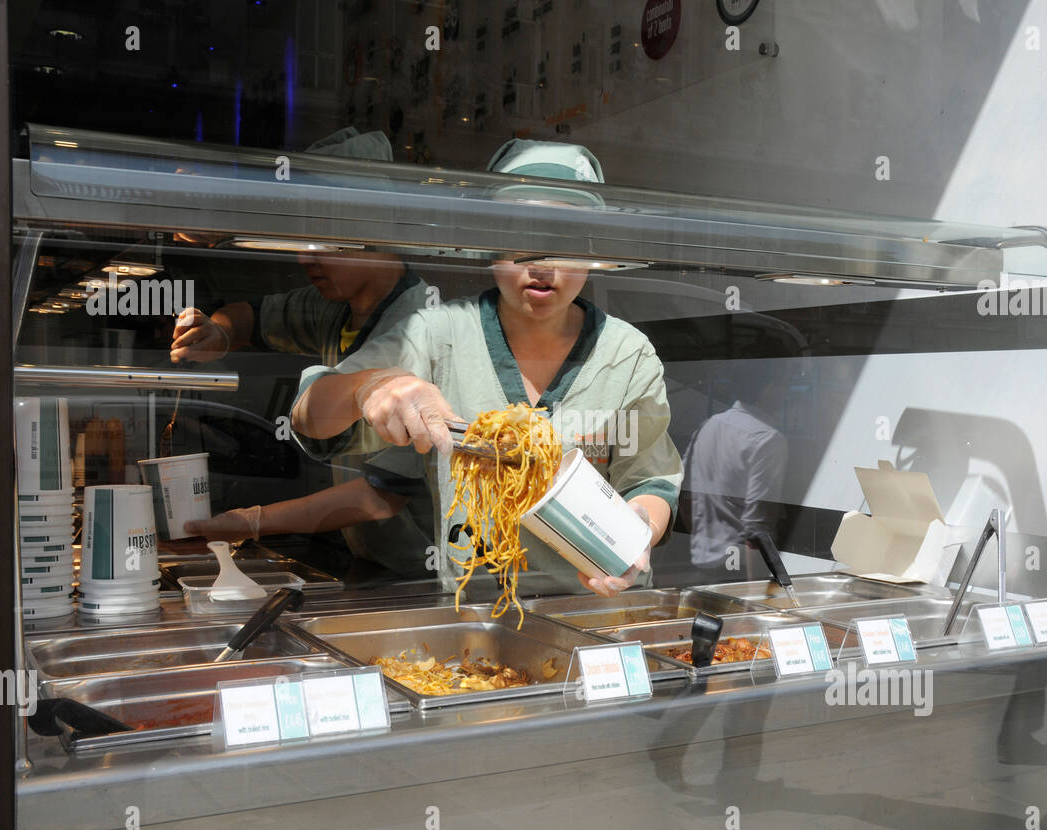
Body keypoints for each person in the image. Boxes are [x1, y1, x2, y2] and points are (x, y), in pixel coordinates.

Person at [289, 140, 682, 597]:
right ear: (490, 243)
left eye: (567, 239)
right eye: (521, 236)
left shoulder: (626, 353)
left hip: (597, 608)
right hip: (479, 616)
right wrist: (368, 387)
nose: (542, 263)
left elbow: (650, 478)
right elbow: (309, 417)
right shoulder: (438, 334)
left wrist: (641, 530)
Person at [168, 129, 435, 573]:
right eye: (302, 237)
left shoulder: (420, 331)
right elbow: (255, 316)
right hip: (364, 557)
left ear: (376, 228)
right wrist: (219, 331)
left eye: (325, 238)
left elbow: (380, 496)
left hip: (418, 571)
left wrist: (252, 522)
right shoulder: (333, 308)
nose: (304, 257)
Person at [683, 374, 789, 580]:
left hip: (702, 565)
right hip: (740, 571)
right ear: (768, 388)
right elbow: (757, 531)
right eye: (784, 385)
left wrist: (704, 541)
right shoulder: (768, 439)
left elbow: (684, 498)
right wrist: (755, 597)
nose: (786, 394)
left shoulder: (706, 426)